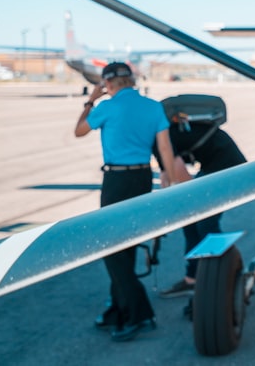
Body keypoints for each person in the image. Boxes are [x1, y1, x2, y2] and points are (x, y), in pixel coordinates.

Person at [75, 62, 179, 342]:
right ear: (131, 81)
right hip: (143, 179)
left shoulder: (107, 107)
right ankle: (117, 307)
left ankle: (138, 313)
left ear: (108, 84)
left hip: (117, 181)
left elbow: (79, 130)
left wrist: (90, 101)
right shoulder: (153, 107)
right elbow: (165, 147)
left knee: (112, 248)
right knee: (128, 244)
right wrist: (168, 178)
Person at [154, 108, 247, 302]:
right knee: (191, 222)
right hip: (217, 163)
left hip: (226, 165)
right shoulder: (159, 132)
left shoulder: (156, 139)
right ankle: (194, 279)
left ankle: (222, 282)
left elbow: (185, 183)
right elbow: (169, 171)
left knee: (204, 224)